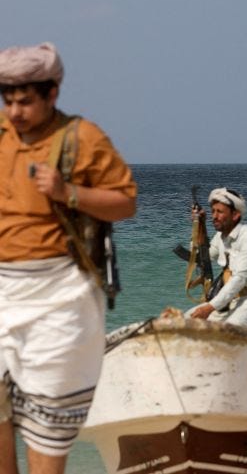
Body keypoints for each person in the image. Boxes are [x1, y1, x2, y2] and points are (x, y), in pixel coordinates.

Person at [0, 43, 137, 474]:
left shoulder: (82, 138)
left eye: (25, 102)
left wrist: (68, 192)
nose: (15, 112)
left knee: (47, 424)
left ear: (52, 94)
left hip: (60, 297)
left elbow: (125, 203)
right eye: (8, 101)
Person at [186, 187, 247, 329]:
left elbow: (239, 278)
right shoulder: (220, 237)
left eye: (220, 212)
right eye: (213, 211)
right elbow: (201, 258)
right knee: (184, 321)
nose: (214, 216)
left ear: (235, 215)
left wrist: (210, 307)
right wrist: (199, 225)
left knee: (230, 329)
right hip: (231, 302)